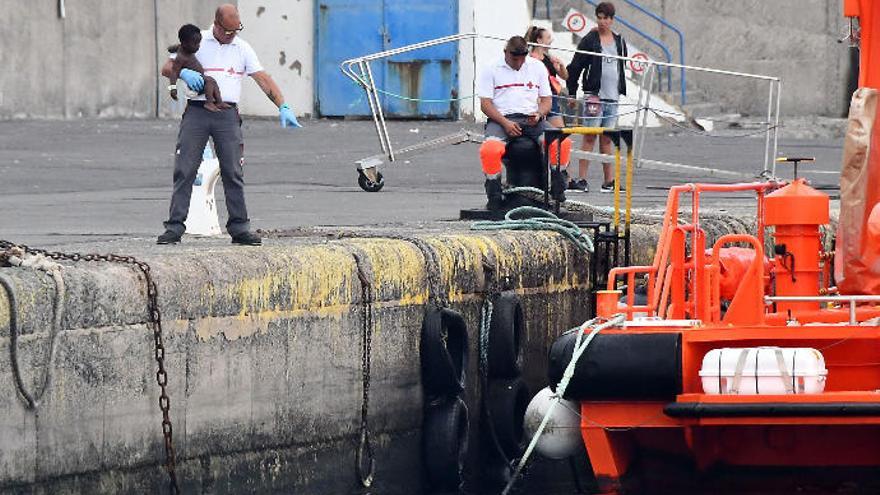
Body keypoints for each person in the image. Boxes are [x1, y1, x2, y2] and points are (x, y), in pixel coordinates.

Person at [156, 4, 302, 246]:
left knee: (233, 170)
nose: (231, 35)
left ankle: (239, 226)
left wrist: (282, 106)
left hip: (227, 114)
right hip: (197, 112)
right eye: (227, 31)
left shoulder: (242, 48)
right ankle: (174, 227)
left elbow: (262, 78)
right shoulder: (196, 39)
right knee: (185, 169)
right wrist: (182, 74)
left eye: (236, 31)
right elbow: (167, 67)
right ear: (216, 24)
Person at [476, 36, 571, 209]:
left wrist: (539, 113)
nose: (519, 63)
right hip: (501, 119)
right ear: (506, 53)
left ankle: (558, 188)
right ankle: (494, 194)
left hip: (532, 119)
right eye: (514, 59)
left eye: (522, 59)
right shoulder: (491, 68)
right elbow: (486, 104)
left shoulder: (537, 67)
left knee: (560, 142)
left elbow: (546, 101)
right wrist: (505, 123)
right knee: (490, 150)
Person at [566, 1, 628, 193]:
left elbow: (622, 65)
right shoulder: (589, 40)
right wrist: (571, 92)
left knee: (607, 138)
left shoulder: (619, 40)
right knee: (589, 136)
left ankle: (609, 181)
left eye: (605, 18)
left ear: (612, 20)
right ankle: (582, 179)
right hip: (594, 96)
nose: (602, 22)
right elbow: (575, 67)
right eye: (599, 18)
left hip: (613, 97)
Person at [167, 24, 229, 112]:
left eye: (199, 43)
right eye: (195, 43)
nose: (198, 46)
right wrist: (172, 88)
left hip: (200, 80)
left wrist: (172, 48)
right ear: (185, 43)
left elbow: (177, 47)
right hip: (193, 87)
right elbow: (174, 72)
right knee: (210, 81)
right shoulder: (181, 57)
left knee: (212, 81)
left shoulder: (186, 49)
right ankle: (209, 103)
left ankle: (219, 102)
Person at [525, 26, 569, 129]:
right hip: (539, 99)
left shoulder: (549, 58)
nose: (551, 40)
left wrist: (561, 66)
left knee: (559, 131)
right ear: (539, 40)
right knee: (542, 131)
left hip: (552, 98)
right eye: (548, 38)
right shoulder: (530, 60)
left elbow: (565, 76)